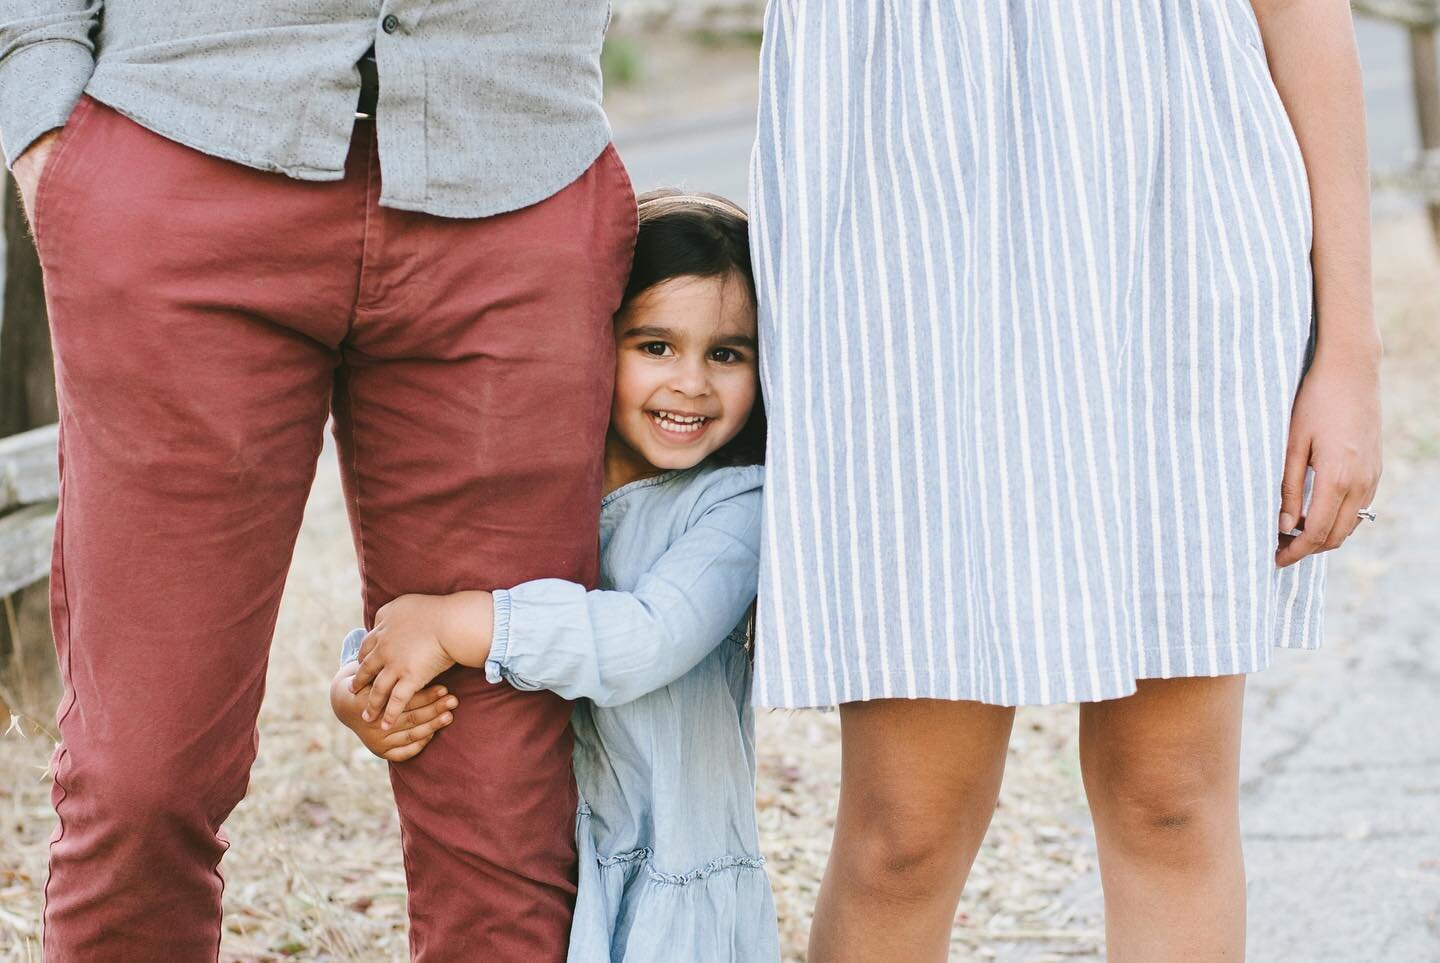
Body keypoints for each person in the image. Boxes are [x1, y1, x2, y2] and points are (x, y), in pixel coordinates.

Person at [748, 1, 1382, 959]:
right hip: (902, 230)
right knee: (902, 835)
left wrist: (1350, 354)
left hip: (1174, 227)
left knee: (1167, 797)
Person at [0, 4, 634, 958]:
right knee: (141, 773)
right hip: (181, 150)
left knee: (503, 782)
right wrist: (41, 117)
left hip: (518, 165)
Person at [330, 191, 780, 963]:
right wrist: (361, 689)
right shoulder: (544, 481)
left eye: (727, 353)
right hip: (545, 875)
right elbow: (415, 611)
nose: (693, 383)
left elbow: (646, 640)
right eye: (656, 346)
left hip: (673, 892)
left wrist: (460, 623)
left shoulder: (734, 506)